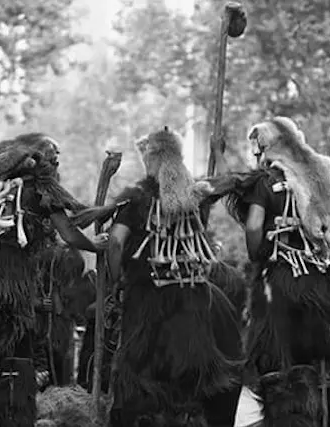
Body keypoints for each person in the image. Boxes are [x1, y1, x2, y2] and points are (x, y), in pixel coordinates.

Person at [0, 133, 107, 427]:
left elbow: (76, 217)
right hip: (8, 289)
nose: (58, 158)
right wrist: (96, 246)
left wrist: (107, 208)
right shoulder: (41, 188)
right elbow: (68, 231)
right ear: (37, 156)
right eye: (54, 152)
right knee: (12, 363)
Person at [78, 127, 243, 426]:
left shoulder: (137, 198)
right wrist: (218, 152)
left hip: (148, 298)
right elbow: (229, 183)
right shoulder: (196, 195)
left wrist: (116, 282)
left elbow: (115, 242)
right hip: (196, 292)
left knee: (117, 359)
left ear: (148, 159)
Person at [196, 117, 330, 426]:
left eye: (258, 152)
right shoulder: (322, 179)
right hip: (319, 289)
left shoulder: (266, 182)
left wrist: (259, 252)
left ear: (267, 149)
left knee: (274, 364)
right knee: (312, 368)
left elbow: (253, 225)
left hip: (278, 286)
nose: (256, 159)